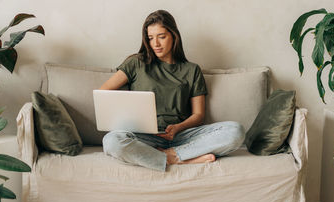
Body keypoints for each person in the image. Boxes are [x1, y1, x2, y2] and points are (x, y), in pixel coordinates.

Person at [100, 10, 245, 172]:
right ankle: (176, 159)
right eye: (150, 38)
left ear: (174, 36)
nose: (155, 44)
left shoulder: (192, 70)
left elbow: (198, 115)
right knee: (111, 141)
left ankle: (172, 155)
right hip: (144, 137)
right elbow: (103, 94)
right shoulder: (136, 63)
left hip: (183, 136)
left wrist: (178, 127)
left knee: (235, 131)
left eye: (161, 37)